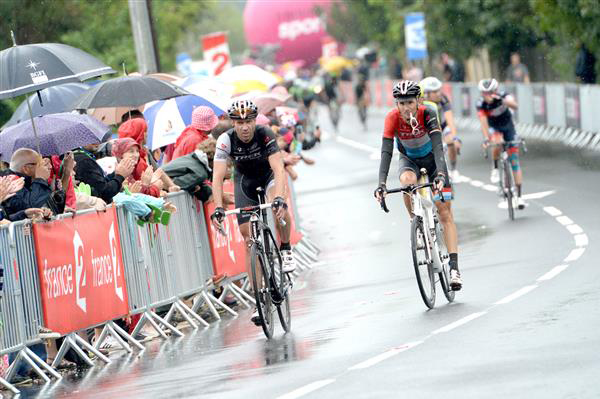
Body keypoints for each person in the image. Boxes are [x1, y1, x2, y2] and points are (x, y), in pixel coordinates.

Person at [210, 100, 296, 325]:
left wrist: (279, 198)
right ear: (233, 123)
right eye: (239, 122)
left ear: (254, 121)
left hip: (268, 177)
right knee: (249, 240)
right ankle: (260, 298)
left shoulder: (264, 133)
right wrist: (218, 208)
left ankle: (285, 248)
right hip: (244, 182)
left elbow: (278, 169)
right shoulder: (225, 140)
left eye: (248, 121)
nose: (245, 127)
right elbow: (217, 177)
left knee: (278, 206)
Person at [374, 80, 462, 290]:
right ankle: (416, 222)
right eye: (401, 103)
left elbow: (439, 147)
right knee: (406, 182)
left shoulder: (428, 113)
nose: (405, 108)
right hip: (409, 161)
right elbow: (386, 152)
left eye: (409, 102)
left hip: (433, 161)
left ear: (419, 101)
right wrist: (381, 184)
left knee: (445, 213)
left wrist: (440, 174)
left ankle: (454, 268)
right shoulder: (392, 118)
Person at [476, 78, 526, 209]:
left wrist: (503, 101)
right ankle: (495, 167)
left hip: (508, 126)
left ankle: (519, 197)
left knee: (514, 161)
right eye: (484, 93)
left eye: (490, 92)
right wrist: (486, 138)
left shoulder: (503, 95)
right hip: (494, 128)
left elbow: (515, 105)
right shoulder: (481, 103)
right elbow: (483, 122)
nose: (487, 95)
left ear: (496, 90)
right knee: (497, 142)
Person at [420, 77, 461, 180]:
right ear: (426, 94)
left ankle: (454, 169)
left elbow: (450, 119)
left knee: (450, 140)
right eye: (434, 91)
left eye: (439, 90)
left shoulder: (443, 98)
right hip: (427, 128)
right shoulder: (421, 102)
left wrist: (455, 137)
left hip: (442, 125)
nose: (438, 93)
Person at [0, 149, 54, 220]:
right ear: (26, 169)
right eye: (39, 164)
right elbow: (31, 205)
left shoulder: (29, 180)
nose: (49, 167)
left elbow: (41, 207)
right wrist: (40, 179)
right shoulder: (10, 180)